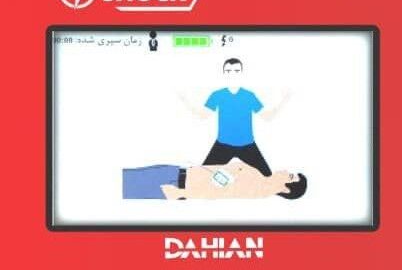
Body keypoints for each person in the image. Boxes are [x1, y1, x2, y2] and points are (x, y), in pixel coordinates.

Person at [178, 58, 290, 176]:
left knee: (268, 176)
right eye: (228, 71)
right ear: (224, 73)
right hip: (223, 145)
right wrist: (184, 99)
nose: (232, 74)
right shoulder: (217, 95)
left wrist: (284, 99)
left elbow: (267, 117)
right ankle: (174, 178)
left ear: (241, 73)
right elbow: (202, 116)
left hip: (247, 145)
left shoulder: (249, 96)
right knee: (201, 176)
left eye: (236, 71)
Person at [122, 159, 307, 201]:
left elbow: (217, 189)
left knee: (125, 182)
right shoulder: (260, 180)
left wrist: (181, 192)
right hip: (178, 176)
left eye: (290, 176)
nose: (285, 171)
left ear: (286, 189)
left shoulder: (258, 187)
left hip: (175, 183)